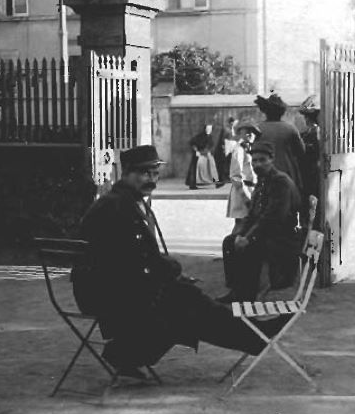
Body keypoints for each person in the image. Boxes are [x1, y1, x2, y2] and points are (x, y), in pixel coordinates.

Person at [70, 145, 287, 379]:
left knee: (186, 302)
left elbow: (137, 261)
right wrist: (173, 270)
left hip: (107, 287)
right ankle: (255, 337)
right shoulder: (119, 206)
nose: (151, 179)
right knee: (186, 303)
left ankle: (125, 353)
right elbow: (141, 260)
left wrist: (168, 274)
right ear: (128, 173)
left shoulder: (122, 200)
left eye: (154, 173)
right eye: (144, 173)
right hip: (107, 294)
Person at [221, 141, 304, 303]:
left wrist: (249, 238)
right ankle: (236, 289)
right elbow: (252, 215)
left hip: (283, 237)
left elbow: (273, 218)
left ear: (272, 159)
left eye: (262, 160)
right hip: (268, 233)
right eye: (255, 161)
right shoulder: (262, 181)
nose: (258, 164)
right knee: (230, 242)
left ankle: (246, 294)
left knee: (251, 246)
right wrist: (241, 235)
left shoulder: (280, 182)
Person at [255, 93, 305, 196]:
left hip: (263, 172)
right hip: (287, 173)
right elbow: (301, 152)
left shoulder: (258, 129)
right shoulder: (290, 129)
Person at [226, 119, 260, 233]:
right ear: (240, 133)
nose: (250, 134)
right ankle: (232, 248)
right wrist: (245, 197)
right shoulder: (239, 150)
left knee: (249, 225)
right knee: (241, 224)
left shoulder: (252, 149)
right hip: (242, 191)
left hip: (252, 189)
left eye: (253, 132)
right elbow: (235, 175)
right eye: (247, 131)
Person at [298, 97, 322, 203]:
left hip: (314, 174)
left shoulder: (317, 132)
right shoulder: (306, 133)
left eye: (308, 117)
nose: (306, 120)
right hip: (306, 174)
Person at [186, 123, 219, 189]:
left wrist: (208, 152)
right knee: (196, 168)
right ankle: (193, 184)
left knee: (212, 166)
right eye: (208, 129)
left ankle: (214, 182)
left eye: (210, 129)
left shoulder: (210, 137)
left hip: (206, 155)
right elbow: (192, 143)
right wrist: (196, 151)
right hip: (198, 155)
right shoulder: (199, 136)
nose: (209, 130)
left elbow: (211, 146)